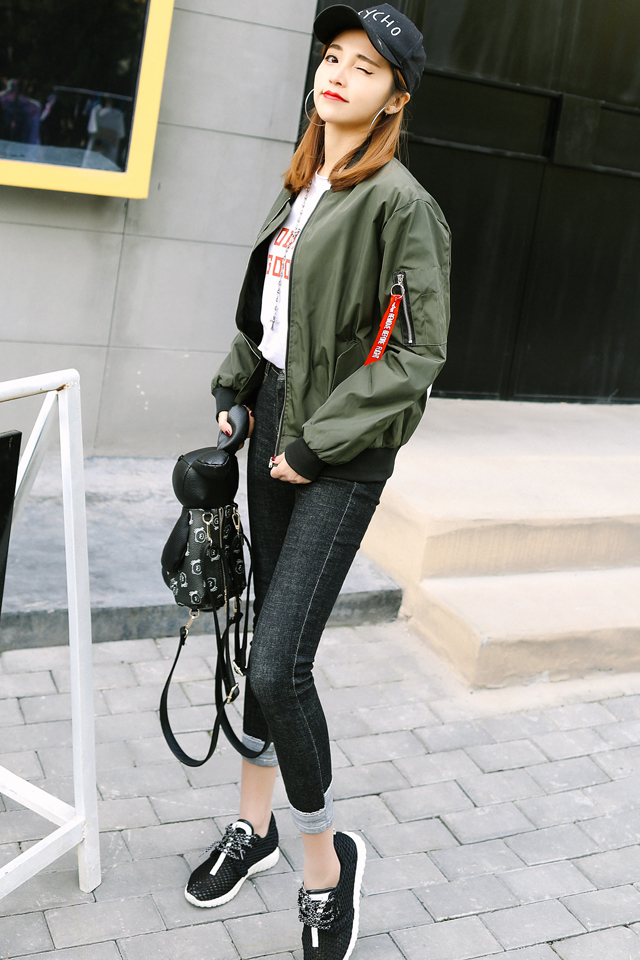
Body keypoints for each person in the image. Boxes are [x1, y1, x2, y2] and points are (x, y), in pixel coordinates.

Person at [184, 5, 450, 959]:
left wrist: (318, 443)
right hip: (273, 427)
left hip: (340, 452)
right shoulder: (303, 183)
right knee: (263, 630)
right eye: (332, 55)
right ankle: (252, 827)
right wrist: (235, 390)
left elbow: (414, 355)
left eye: (365, 67)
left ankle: (326, 865)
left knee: (277, 665)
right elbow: (268, 314)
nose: (337, 73)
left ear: (395, 98)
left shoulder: (403, 205)